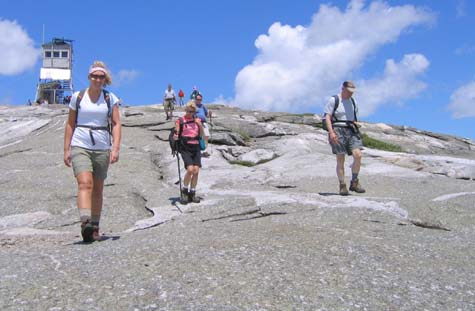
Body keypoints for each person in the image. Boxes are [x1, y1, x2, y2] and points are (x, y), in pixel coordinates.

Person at [63, 61, 122, 242]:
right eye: (94, 76)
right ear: (89, 77)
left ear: (105, 79)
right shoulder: (78, 97)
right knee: (85, 183)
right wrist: (66, 149)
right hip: (80, 144)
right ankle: (85, 222)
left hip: (102, 146)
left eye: (101, 76)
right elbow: (70, 123)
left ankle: (95, 226)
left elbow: (116, 123)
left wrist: (116, 148)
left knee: (97, 188)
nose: (97, 79)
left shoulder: (109, 98)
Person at [324, 80, 365, 196]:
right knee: (340, 158)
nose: (351, 94)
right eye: (348, 91)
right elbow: (327, 117)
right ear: (343, 88)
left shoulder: (353, 101)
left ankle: (354, 182)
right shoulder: (334, 100)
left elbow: (354, 117)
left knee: (358, 155)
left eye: (352, 92)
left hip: (351, 130)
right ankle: (342, 185)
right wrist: (331, 132)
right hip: (337, 130)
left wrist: (356, 125)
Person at [173, 101, 204, 204]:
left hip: (196, 147)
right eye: (188, 111)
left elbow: (202, 135)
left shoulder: (197, 120)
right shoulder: (180, 121)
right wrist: (175, 136)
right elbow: (176, 132)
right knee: (190, 170)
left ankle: (192, 193)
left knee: (196, 171)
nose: (190, 113)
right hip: (185, 148)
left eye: (192, 111)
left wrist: (200, 125)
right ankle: (185, 191)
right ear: (185, 110)